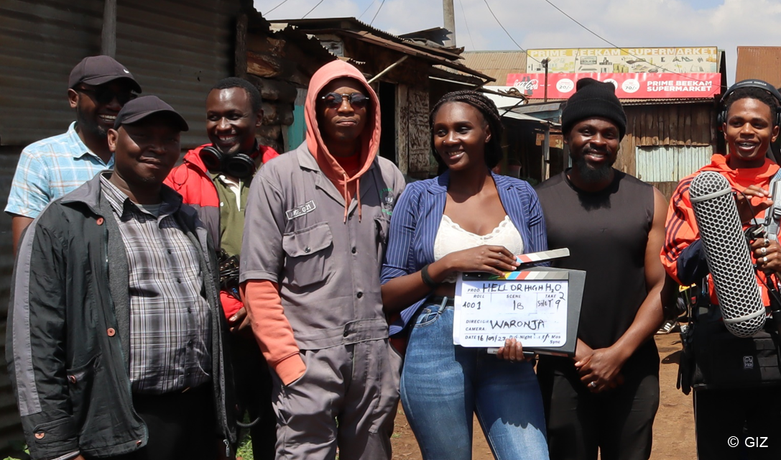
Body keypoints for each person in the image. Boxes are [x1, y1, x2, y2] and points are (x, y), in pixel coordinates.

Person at [6, 96, 236, 460]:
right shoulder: (65, 222)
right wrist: (57, 447)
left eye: (170, 139)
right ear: (113, 140)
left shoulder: (190, 221)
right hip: (115, 423)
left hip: (195, 418)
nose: (158, 148)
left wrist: (222, 426)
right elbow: (35, 342)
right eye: (143, 135)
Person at [239, 60, 405, 460]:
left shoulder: (390, 179)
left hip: (376, 358)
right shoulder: (277, 178)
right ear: (315, 108)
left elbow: (405, 273)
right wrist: (287, 362)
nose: (345, 108)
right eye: (332, 99)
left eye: (356, 99)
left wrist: (394, 352)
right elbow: (258, 283)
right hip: (307, 357)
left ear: (371, 109)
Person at [381, 90, 549, 460]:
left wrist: (529, 336)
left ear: (487, 132)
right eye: (441, 131)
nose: (450, 140)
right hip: (435, 342)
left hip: (507, 346)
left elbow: (542, 276)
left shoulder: (521, 195)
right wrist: (447, 264)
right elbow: (387, 293)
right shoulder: (417, 196)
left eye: (462, 128)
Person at [534, 78, 668, 460]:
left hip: (634, 366)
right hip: (562, 367)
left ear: (619, 141)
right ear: (568, 134)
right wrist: (583, 355)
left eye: (610, 133)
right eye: (586, 131)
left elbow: (661, 286)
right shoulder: (537, 202)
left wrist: (617, 354)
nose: (598, 141)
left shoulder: (648, 200)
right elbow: (528, 287)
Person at [661, 80, 781, 459]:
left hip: (777, 340)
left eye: (759, 124)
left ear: (774, 131)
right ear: (722, 127)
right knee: (724, 450)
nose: (747, 131)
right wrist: (726, 231)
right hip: (717, 344)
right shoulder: (696, 188)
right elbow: (679, 269)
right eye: (737, 122)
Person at [164, 77, 279, 459]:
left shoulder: (286, 174)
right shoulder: (182, 177)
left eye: (234, 116)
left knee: (276, 437)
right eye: (214, 117)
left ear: (259, 118)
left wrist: (262, 309)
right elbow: (173, 258)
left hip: (276, 330)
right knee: (217, 438)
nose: (222, 126)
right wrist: (233, 309)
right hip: (215, 334)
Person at [6, 55, 141, 253]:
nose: (115, 105)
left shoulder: (140, 157)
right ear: (73, 98)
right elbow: (28, 252)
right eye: (103, 95)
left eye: (124, 98)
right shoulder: (41, 158)